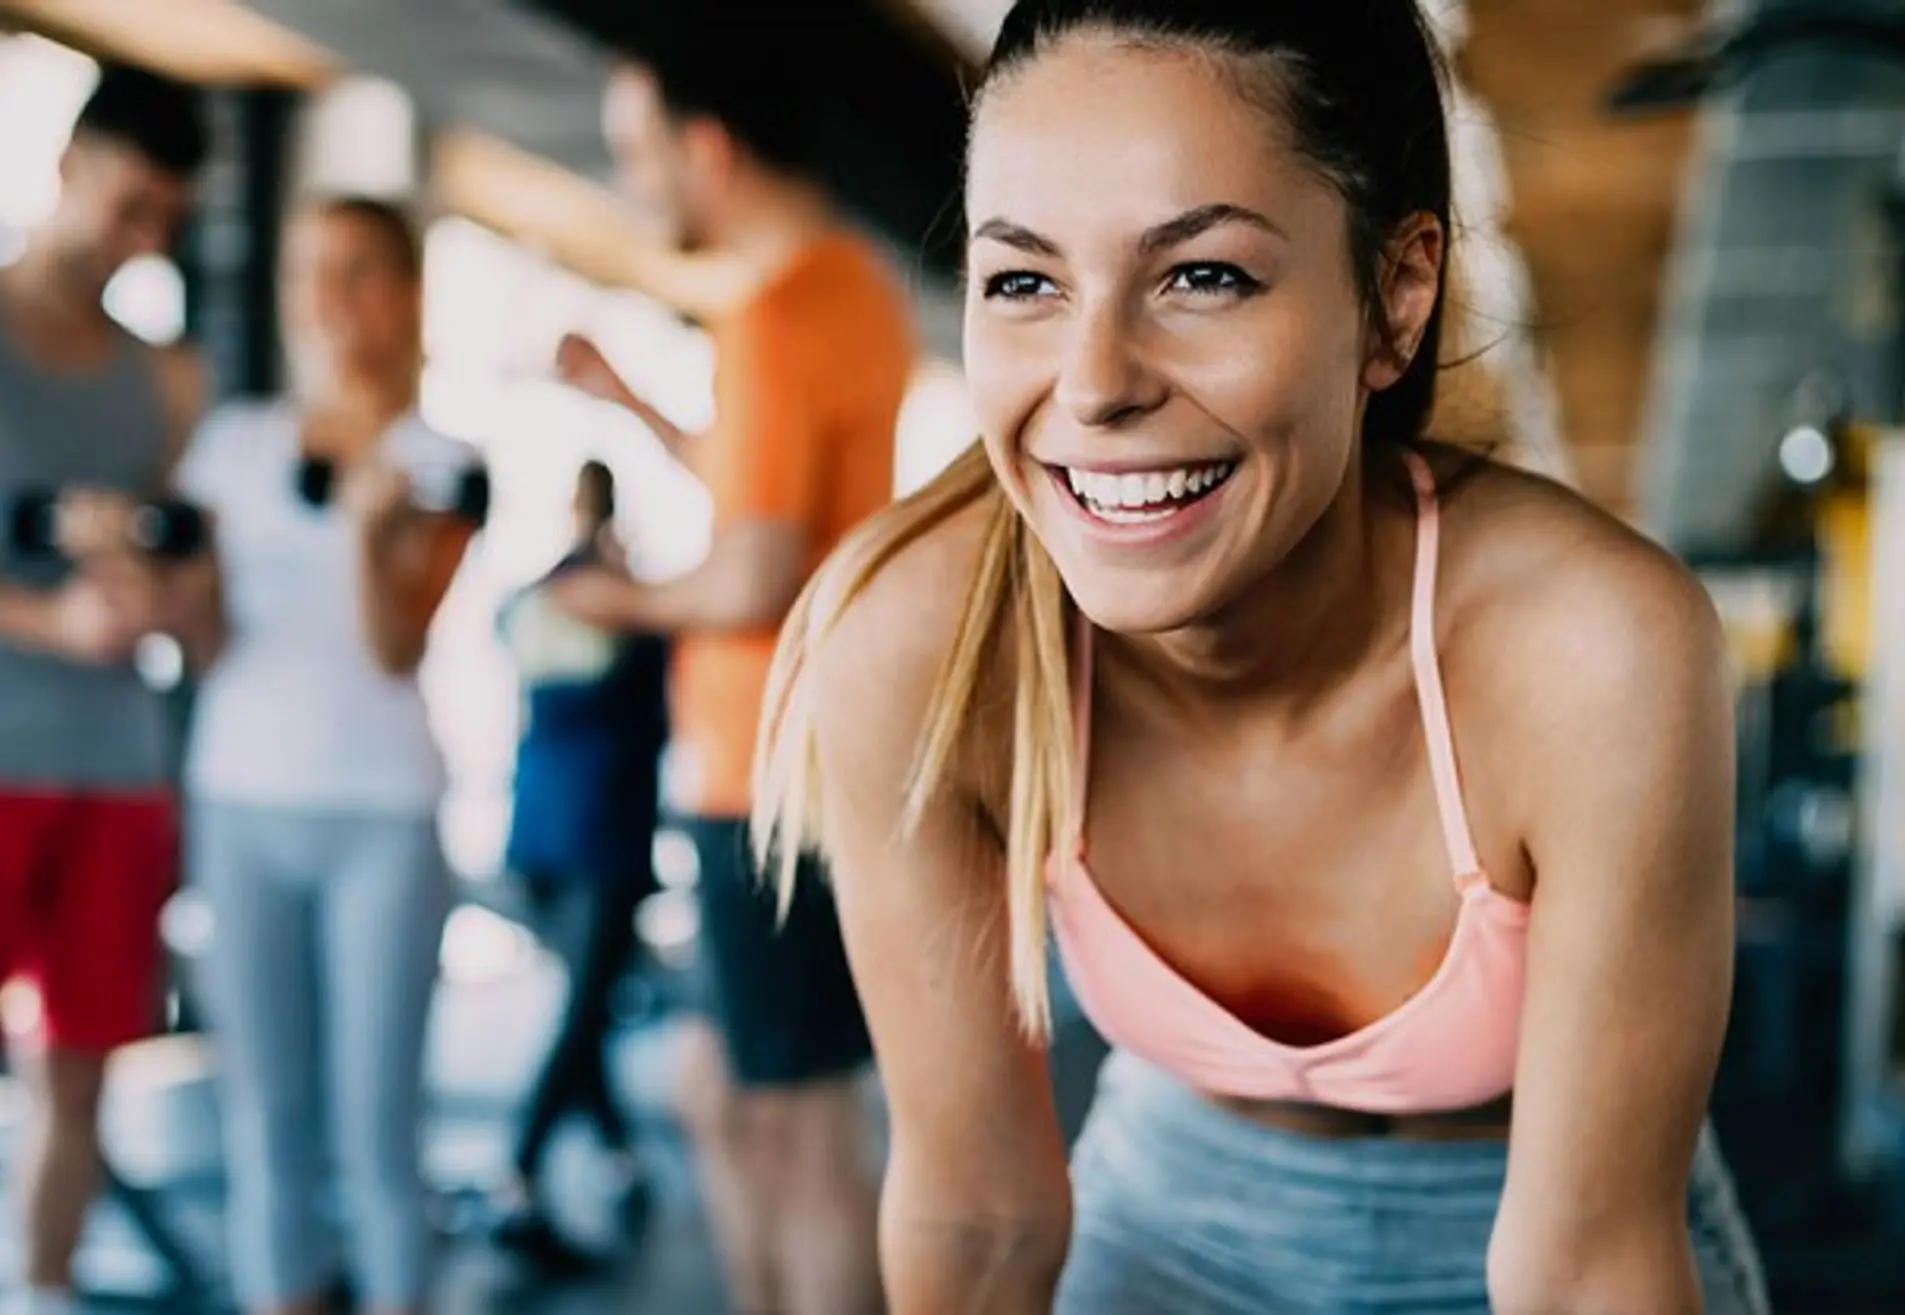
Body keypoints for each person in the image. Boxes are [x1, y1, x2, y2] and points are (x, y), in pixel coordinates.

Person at [751, 3, 1771, 1313]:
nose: (1094, 380)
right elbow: (977, 1211)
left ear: (1393, 298)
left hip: (1541, 1222)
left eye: (1202, 275)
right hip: (1169, 1222)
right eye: (1024, 281)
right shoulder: (923, 641)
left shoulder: (1591, 649)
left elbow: (1580, 1269)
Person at [546, 16, 914, 1315]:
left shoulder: (773, 310)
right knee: (722, 1090)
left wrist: (614, 596)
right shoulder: (842, 288)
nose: (636, 182)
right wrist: (633, 406)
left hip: (767, 776)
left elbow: (753, 572)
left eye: (639, 152)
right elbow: (767, 492)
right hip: (788, 766)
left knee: (803, 1131)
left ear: (706, 148)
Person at [174, 196, 478, 1315]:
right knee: (264, 1123)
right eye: (310, 271)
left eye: (357, 272)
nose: (331, 298)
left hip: (381, 813)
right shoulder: (233, 444)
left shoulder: (441, 460)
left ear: (403, 295)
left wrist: (363, 527)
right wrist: (157, 587)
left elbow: (397, 645)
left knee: (377, 1132)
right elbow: (206, 641)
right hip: (240, 800)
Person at [0, 65, 211, 1315]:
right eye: (129, 206)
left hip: (119, 764)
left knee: (79, 1080)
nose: (141, 243)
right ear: (72, 161)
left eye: (165, 223)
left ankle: (45, 1286)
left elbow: (191, 578)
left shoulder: (166, 379)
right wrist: (47, 617)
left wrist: (145, 592)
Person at [489, 459, 669, 1271]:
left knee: (584, 1005)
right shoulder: (622, 601)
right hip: (600, 828)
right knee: (584, 1010)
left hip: (541, 823)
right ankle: (517, 1172)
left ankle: (614, 1152)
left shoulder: (534, 597)